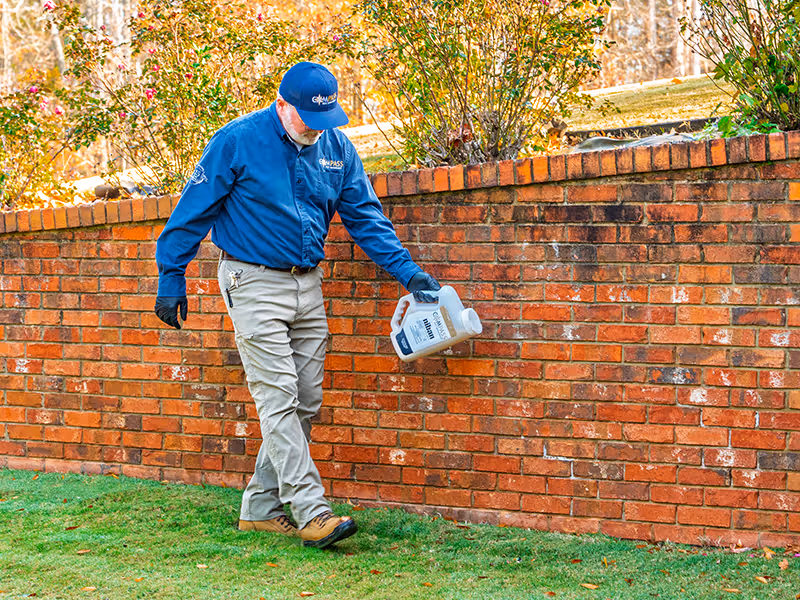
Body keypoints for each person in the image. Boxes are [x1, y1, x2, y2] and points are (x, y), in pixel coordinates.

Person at [154, 62, 441, 549]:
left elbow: (366, 218)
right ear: (282, 104)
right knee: (278, 396)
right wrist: (171, 274)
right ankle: (312, 512)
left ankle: (261, 508)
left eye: (325, 118)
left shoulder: (335, 146)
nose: (316, 128)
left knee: (305, 401)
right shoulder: (237, 140)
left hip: (307, 283)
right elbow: (193, 209)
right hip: (252, 279)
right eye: (307, 116)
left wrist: (408, 273)